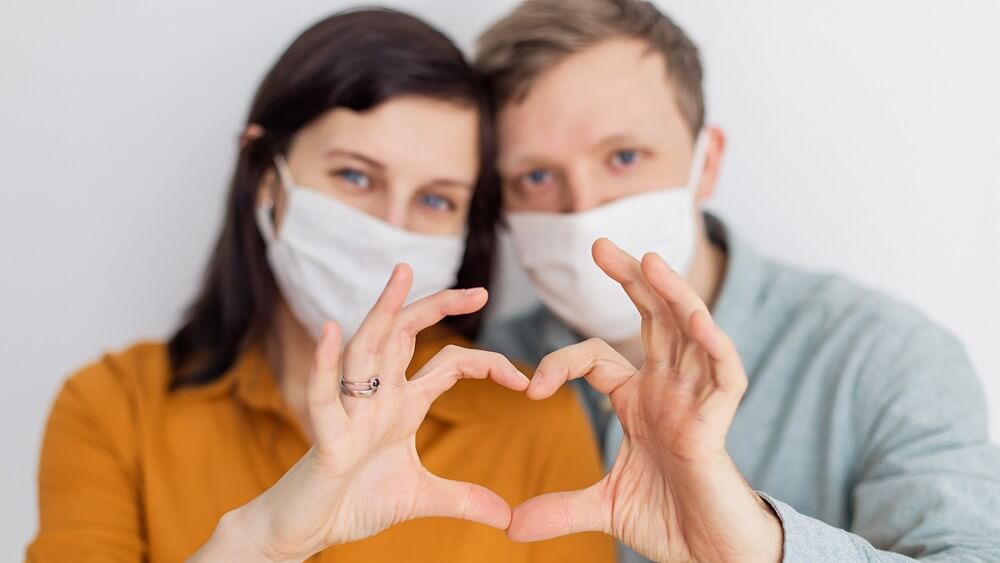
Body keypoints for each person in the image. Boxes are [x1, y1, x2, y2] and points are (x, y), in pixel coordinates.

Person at [27, 9, 615, 563]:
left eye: (436, 199)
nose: (391, 227)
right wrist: (256, 543)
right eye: (355, 176)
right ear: (264, 178)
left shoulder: (536, 423)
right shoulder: (113, 409)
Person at [474, 0, 1000, 561]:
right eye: (535, 175)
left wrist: (758, 546)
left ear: (708, 164)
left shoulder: (886, 357)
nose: (584, 208)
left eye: (625, 156)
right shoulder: (479, 376)